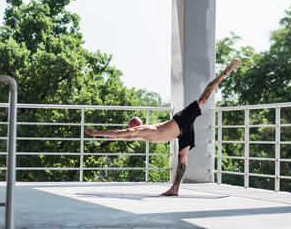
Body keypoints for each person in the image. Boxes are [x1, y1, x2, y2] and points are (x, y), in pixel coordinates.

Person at [85, 58, 242, 196]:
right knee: (182, 156)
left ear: (135, 126)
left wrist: (96, 133)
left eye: (131, 128)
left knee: (205, 95)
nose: (130, 131)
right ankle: (175, 188)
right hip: (182, 131)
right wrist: (100, 134)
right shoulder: (139, 134)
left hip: (181, 120)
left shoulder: (142, 130)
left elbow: (119, 133)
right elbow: (121, 135)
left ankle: (227, 71)